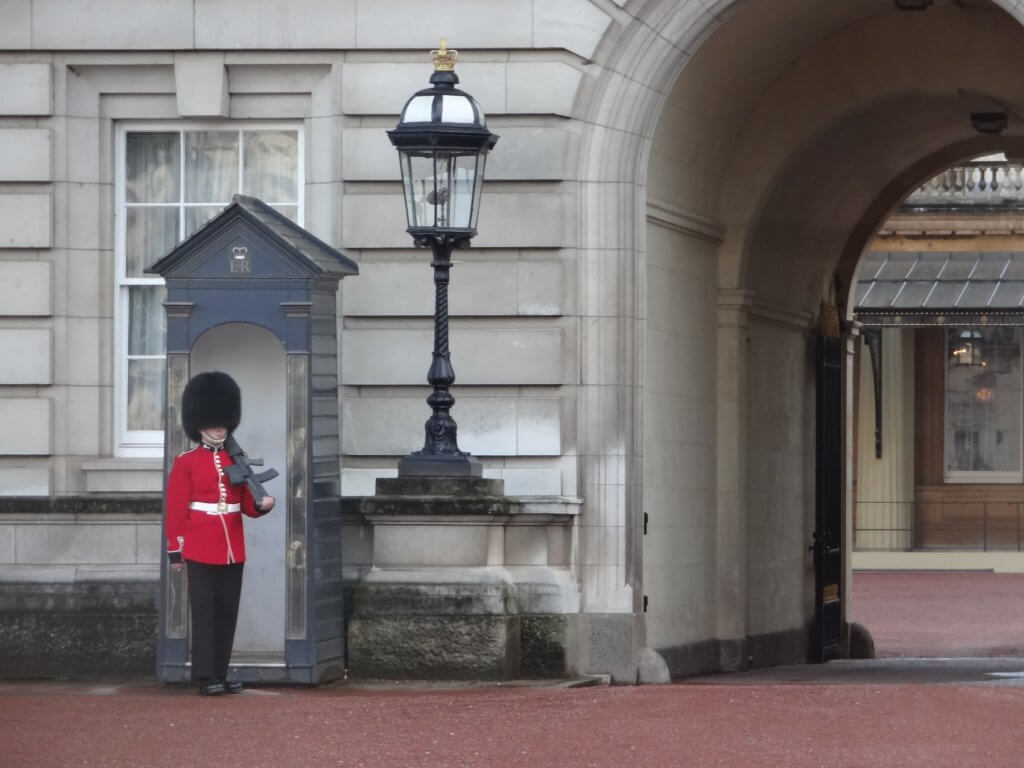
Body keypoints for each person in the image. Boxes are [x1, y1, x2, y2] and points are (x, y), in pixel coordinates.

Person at [164, 371, 275, 696]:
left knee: (227, 611)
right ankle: (204, 676)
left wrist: (264, 505)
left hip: (232, 548)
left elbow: (245, 505)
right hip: (199, 547)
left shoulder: (234, 461)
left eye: (223, 423)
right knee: (204, 612)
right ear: (200, 424)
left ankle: (221, 673)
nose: (219, 428)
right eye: (214, 423)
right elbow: (176, 510)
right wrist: (175, 550)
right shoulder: (186, 462)